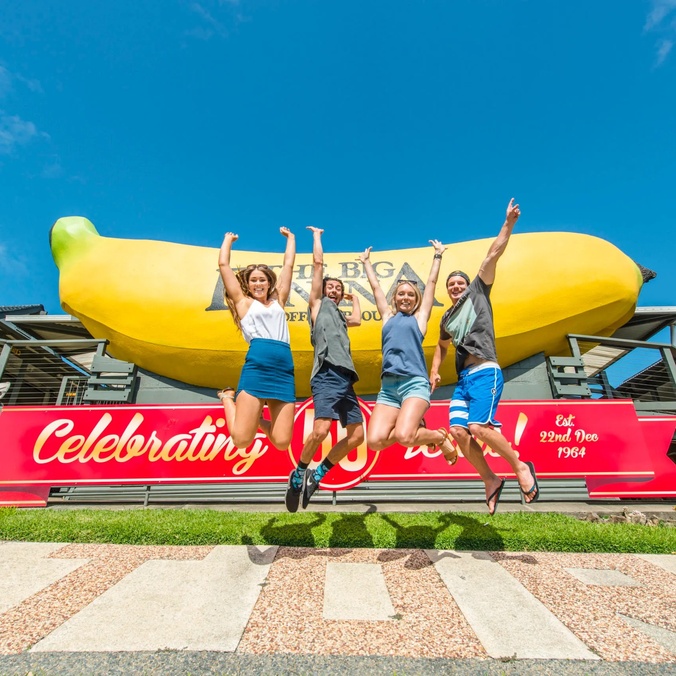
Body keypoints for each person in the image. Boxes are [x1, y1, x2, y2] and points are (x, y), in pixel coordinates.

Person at [429, 198, 539, 515]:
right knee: (460, 433)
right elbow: (441, 344)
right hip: (464, 380)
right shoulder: (447, 318)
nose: (456, 287)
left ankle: (520, 466)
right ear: (447, 291)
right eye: (451, 285)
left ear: (468, 285)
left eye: (459, 282)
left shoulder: (478, 290)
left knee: (479, 428)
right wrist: (435, 370)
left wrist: (509, 223)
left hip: (485, 371)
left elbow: (493, 253)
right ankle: (490, 480)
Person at [285, 226, 364, 512]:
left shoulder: (341, 317)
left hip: (346, 377)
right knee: (320, 430)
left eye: (338, 289)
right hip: (327, 371)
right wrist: (317, 236)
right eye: (331, 287)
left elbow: (357, 320)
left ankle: (318, 474)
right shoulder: (317, 306)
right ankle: (298, 474)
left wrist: (353, 297)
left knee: (357, 436)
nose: (334, 290)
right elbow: (318, 265)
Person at [357, 241, 458, 460]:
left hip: (414, 383)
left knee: (404, 436)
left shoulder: (420, 320)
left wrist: (437, 256)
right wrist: (366, 263)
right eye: (401, 294)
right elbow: (375, 289)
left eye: (410, 295)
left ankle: (438, 437)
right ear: (394, 298)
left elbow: (430, 283)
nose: (405, 298)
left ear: (416, 300)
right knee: (374, 442)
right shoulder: (387, 318)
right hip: (388, 389)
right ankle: (423, 433)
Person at [217, 227, 296, 451]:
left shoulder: (279, 300)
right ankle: (226, 398)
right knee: (241, 441)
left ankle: (255, 419)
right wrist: (227, 240)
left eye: (262, 279)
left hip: (283, 369)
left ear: (269, 282)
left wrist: (291, 239)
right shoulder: (243, 303)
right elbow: (224, 266)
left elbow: (288, 266)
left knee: (281, 442)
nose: (258, 284)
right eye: (253, 281)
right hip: (258, 367)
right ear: (248, 284)